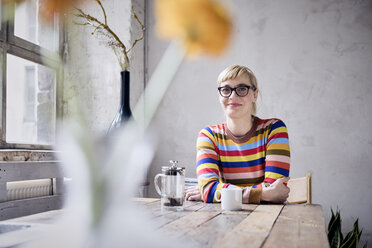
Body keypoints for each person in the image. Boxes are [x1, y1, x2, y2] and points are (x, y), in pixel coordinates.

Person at [185, 65, 290, 204]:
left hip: (269, 219)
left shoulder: (274, 130)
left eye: (242, 89)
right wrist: (264, 193)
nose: (233, 96)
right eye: (226, 89)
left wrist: (217, 193)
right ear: (219, 95)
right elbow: (208, 189)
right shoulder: (209, 136)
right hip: (224, 219)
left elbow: (275, 191)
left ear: (255, 94)